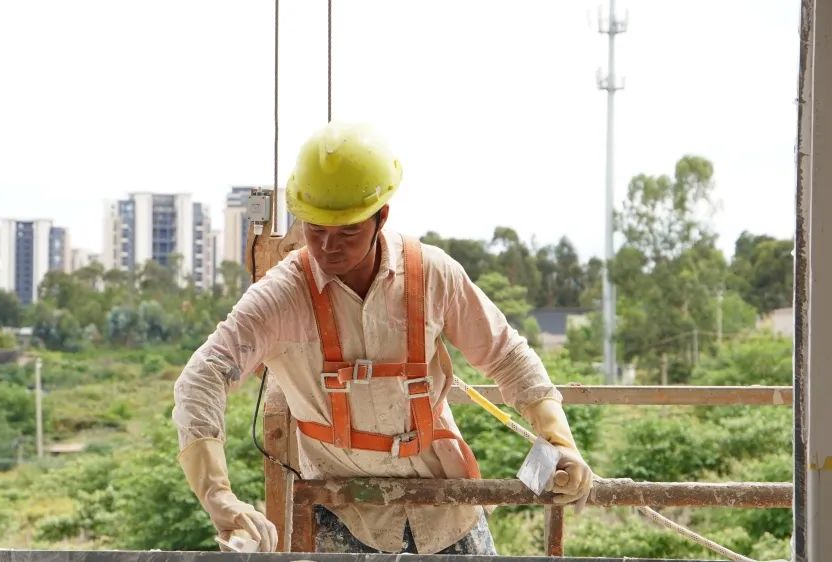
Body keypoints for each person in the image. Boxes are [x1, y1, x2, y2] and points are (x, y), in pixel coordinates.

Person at [172, 122, 593, 554]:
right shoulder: (282, 298)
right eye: (315, 230)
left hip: (445, 504)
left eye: (347, 232)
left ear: (381, 217)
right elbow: (201, 379)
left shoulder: (431, 275)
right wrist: (220, 498)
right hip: (343, 511)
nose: (327, 247)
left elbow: (507, 356)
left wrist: (561, 443)